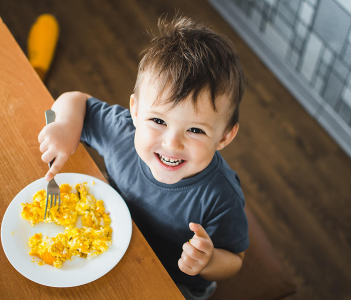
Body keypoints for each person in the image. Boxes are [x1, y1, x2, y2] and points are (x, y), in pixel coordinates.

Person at [38, 15, 248, 300]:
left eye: (195, 130)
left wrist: (208, 262)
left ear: (224, 137)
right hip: (109, 245)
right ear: (135, 111)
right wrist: (64, 126)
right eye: (158, 121)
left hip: (173, 281)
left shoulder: (221, 196)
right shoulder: (122, 132)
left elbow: (235, 258)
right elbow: (75, 100)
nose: (172, 142)